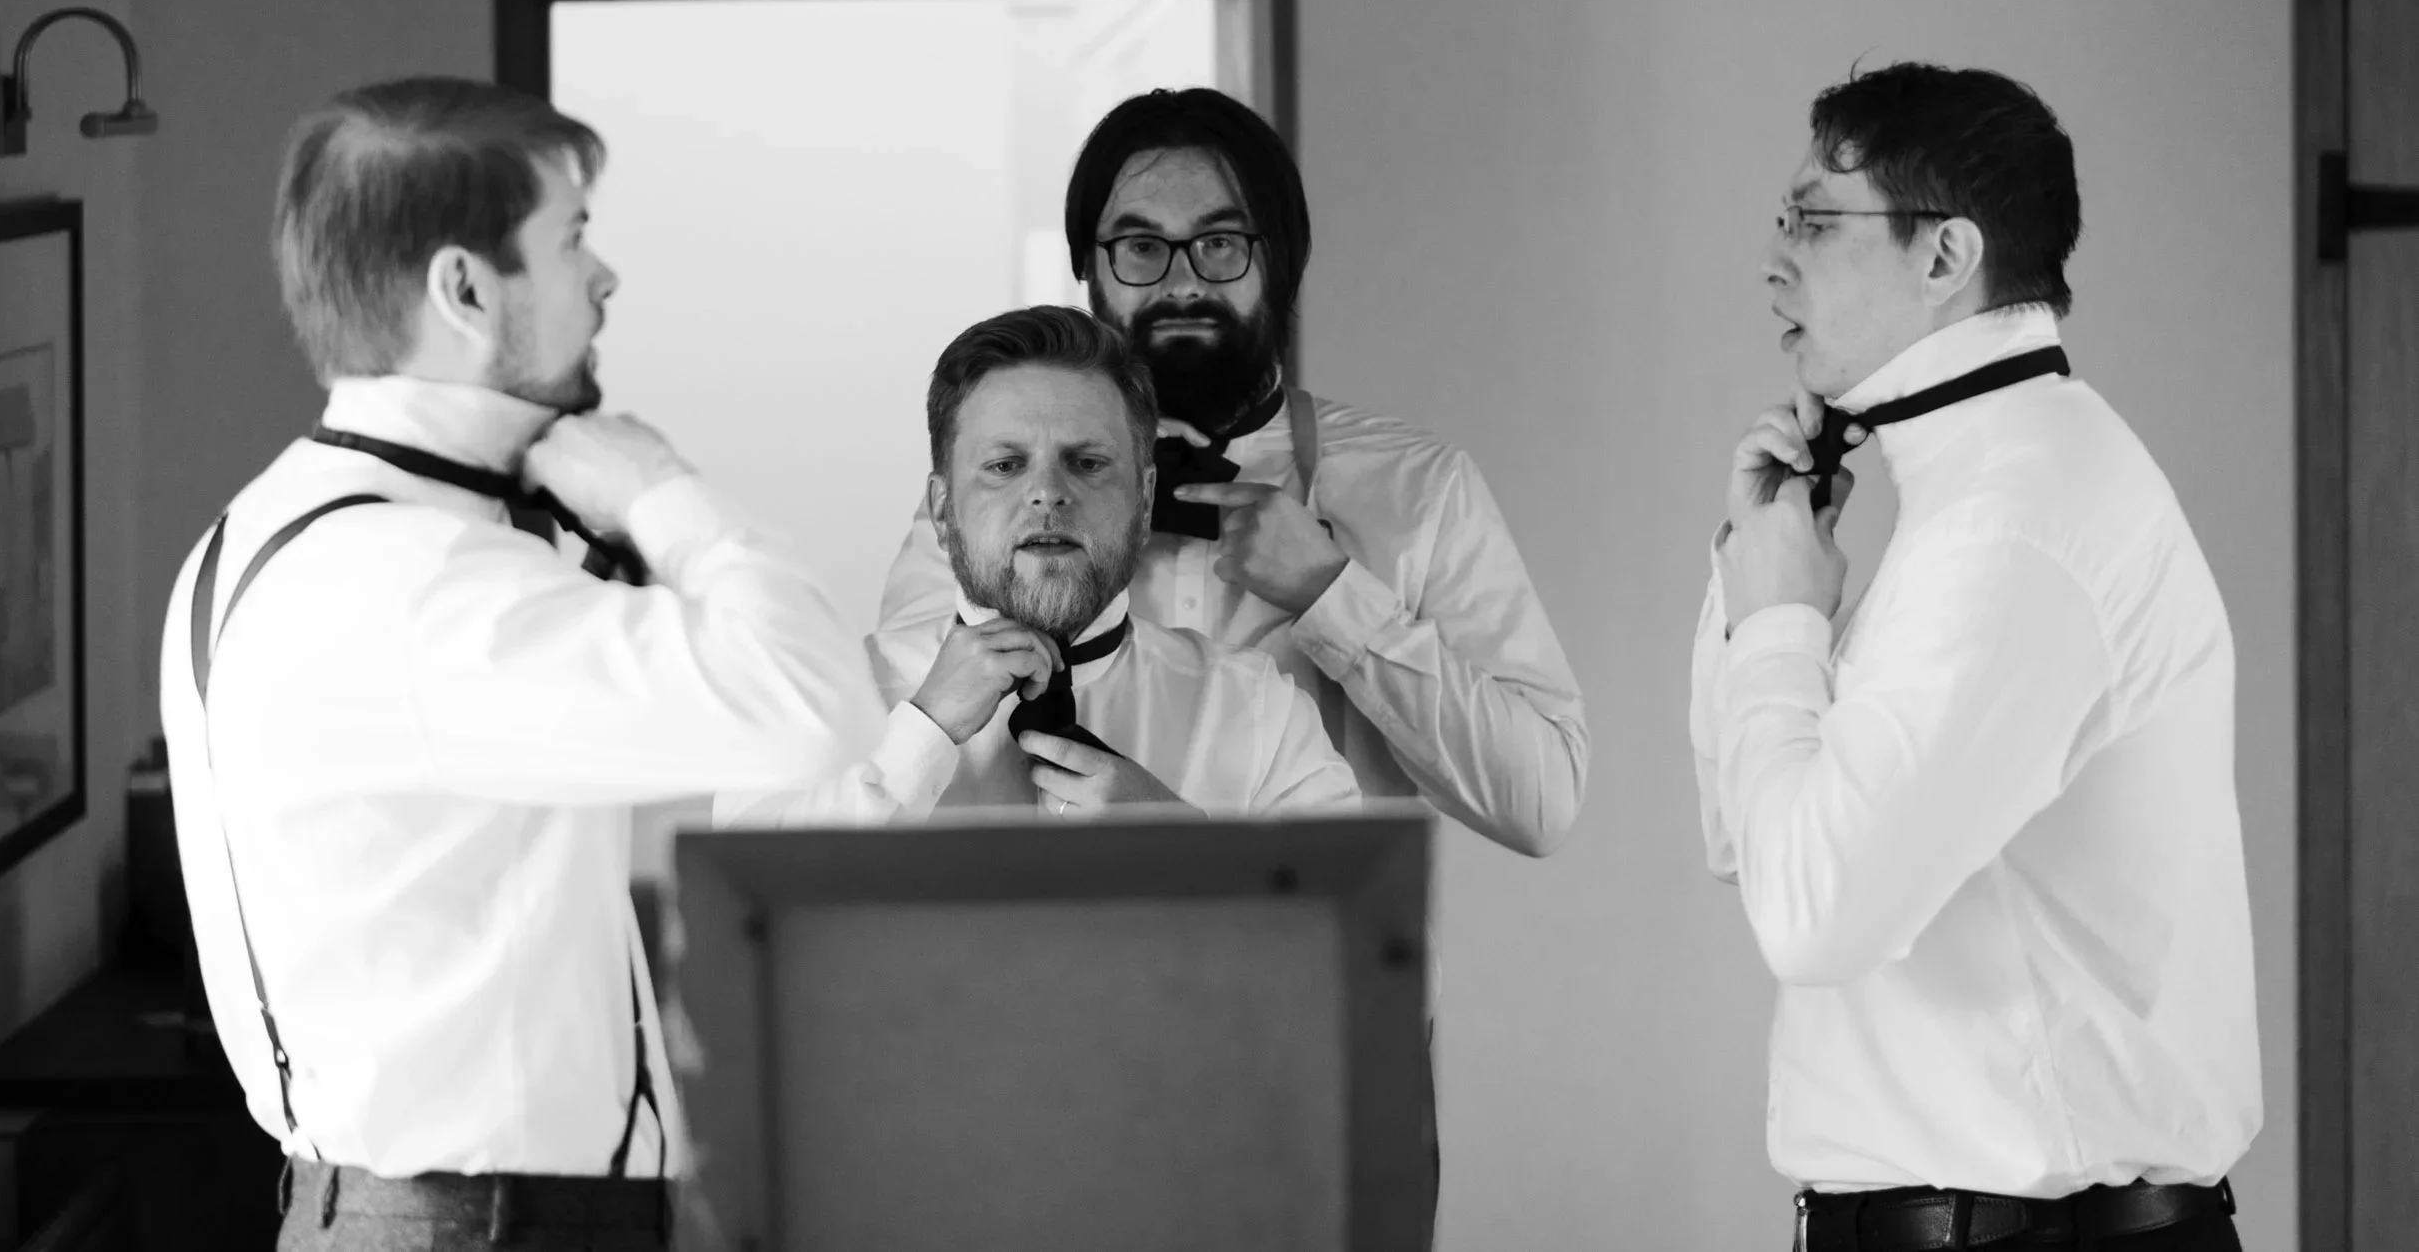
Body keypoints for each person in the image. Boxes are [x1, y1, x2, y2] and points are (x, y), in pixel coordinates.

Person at [158, 77, 887, 1252]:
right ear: (464, 288)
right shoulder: (418, 582)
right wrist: (660, 490)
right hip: (485, 1228)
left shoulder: (282, 526)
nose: (606, 277)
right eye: (572, 237)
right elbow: (816, 704)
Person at [1690, 63, 2259, 1252]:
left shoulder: (2014, 523)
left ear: (1945, 254)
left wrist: (1781, 623)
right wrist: (1753, 584)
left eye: (1811, 220)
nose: (1772, 258)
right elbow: (1751, 840)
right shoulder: (1974, 491)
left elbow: (1812, 918)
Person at [877, 89, 1585, 857]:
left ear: (1281, 261)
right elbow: (904, 721)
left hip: (1323, 925)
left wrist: (1334, 595)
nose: (1183, 283)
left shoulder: (1419, 489)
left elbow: (1541, 804)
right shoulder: (999, 502)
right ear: (1088, 265)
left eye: (1220, 242)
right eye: (1140, 245)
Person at [721, 305, 1358, 825]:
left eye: (1087, 463)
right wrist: (920, 736)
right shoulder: (822, 705)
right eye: (1005, 465)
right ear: (941, 509)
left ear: (1143, 501)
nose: (1048, 493)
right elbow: (741, 910)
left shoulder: (1260, 711)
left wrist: (1188, 851)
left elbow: (1366, 938)